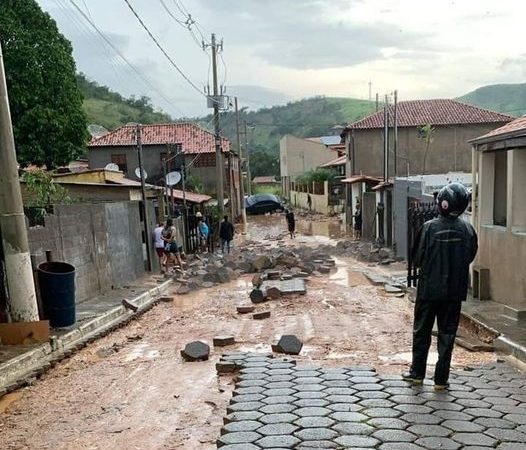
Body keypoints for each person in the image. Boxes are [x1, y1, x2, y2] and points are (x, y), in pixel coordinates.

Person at [402, 183, 477, 391]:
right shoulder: (468, 230)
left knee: (422, 331)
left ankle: (417, 373)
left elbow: (417, 258)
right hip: (454, 292)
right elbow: (470, 255)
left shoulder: (428, 228)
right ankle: (441, 379)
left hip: (429, 290)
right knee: (447, 334)